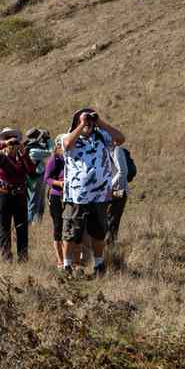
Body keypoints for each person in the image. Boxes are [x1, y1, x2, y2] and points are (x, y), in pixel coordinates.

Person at [58, 106, 126, 277]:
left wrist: (99, 122)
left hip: (100, 195)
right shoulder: (68, 137)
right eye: (83, 118)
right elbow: (66, 145)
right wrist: (81, 125)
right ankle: (67, 266)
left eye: (89, 119)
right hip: (77, 196)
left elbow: (120, 138)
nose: (88, 122)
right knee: (72, 231)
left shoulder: (101, 136)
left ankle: (98, 264)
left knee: (98, 231)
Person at [0, 127, 32, 262]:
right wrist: (4, 144)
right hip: (3, 195)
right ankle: (6, 258)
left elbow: (31, 171)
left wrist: (23, 153)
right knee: (4, 228)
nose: (12, 142)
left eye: (13, 139)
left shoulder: (21, 158)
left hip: (20, 195)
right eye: (7, 138)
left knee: (22, 227)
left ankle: (23, 258)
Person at [106, 143, 135, 259]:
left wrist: (108, 187)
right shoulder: (101, 150)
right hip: (106, 192)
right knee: (106, 222)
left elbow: (123, 172)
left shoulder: (116, 150)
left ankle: (111, 255)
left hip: (118, 192)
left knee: (112, 223)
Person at [42, 141, 68, 270]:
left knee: (69, 228)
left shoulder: (72, 157)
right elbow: (46, 178)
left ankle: (69, 259)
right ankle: (60, 261)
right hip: (57, 196)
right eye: (62, 146)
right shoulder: (55, 159)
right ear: (58, 147)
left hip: (71, 197)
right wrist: (59, 183)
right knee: (58, 227)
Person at [24, 128, 52, 224]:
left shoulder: (29, 147)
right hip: (36, 178)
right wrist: (48, 139)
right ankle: (31, 222)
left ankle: (36, 221)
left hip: (33, 177)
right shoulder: (34, 150)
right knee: (34, 202)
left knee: (36, 201)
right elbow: (51, 152)